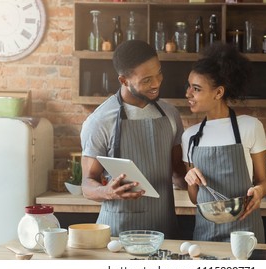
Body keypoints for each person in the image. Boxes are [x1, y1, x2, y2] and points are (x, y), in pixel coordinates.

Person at [80, 40, 187, 239]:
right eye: (146, 80)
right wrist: (107, 192)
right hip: (118, 234)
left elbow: (179, 175)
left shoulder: (170, 114)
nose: (156, 83)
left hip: (164, 232)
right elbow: (87, 184)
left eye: (159, 73)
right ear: (123, 80)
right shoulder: (101, 120)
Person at [181, 42, 266, 243]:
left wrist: (258, 191)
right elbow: (196, 199)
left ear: (218, 93)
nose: (188, 93)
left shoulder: (250, 127)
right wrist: (190, 179)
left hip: (245, 231)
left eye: (196, 89)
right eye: (189, 86)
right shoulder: (190, 137)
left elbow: (263, 182)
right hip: (206, 232)